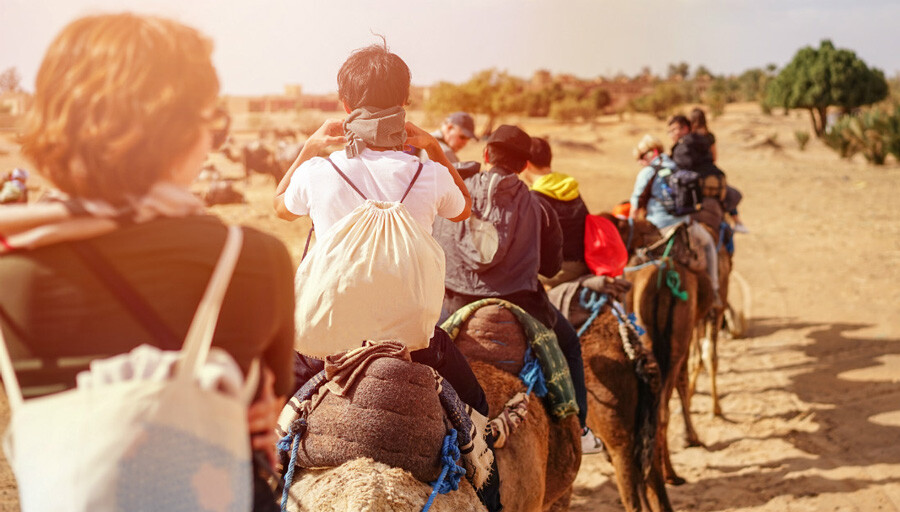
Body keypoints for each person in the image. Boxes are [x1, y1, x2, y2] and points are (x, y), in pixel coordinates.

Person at [0, 13, 293, 510]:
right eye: (210, 121)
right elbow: (271, 404)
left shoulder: (11, 273)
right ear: (180, 132)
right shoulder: (252, 259)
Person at [272, 42, 503, 511]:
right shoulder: (429, 173)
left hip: (322, 344)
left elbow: (279, 207)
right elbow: (465, 210)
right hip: (416, 345)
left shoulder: (318, 171)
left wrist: (309, 147)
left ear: (344, 105)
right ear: (405, 104)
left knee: (252, 432)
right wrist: (435, 148)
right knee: (480, 422)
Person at [433, 124, 605, 455]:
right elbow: (551, 268)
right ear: (525, 166)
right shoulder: (540, 206)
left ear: (485, 154)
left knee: (418, 349)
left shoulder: (453, 194)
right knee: (569, 345)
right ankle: (579, 429)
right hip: (522, 305)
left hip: (454, 304)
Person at [630, 133, 723, 308]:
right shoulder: (676, 166)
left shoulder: (647, 173)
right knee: (709, 244)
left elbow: (635, 206)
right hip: (684, 225)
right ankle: (715, 292)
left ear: (651, 152)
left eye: (641, 157)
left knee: (629, 259)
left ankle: (624, 307)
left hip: (657, 228)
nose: (640, 162)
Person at [522, 137, 590, 287]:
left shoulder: (534, 198)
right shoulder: (570, 187)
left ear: (526, 163)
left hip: (558, 271)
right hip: (583, 263)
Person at [690, 107, 748, 233]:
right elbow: (714, 157)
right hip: (712, 173)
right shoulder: (709, 136)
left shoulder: (690, 137)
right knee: (727, 194)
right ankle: (737, 221)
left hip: (696, 175)